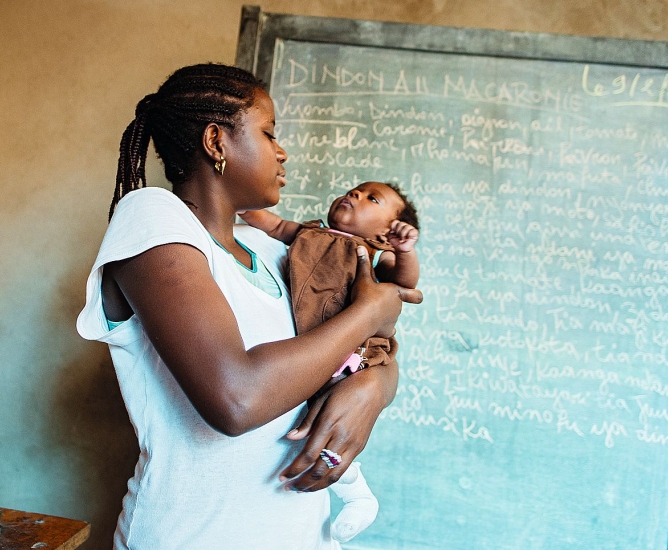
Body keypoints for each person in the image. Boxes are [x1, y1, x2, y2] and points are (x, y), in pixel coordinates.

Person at [75, 63, 421, 550]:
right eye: (268, 133)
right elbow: (236, 399)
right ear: (216, 142)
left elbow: (358, 346)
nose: (282, 152)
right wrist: (372, 309)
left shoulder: (276, 253)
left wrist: (375, 387)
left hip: (304, 535)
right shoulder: (153, 219)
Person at [239, 181, 420, 543]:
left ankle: (356, 494)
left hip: (349, 353)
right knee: (315, 418)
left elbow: (402, 283)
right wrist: (241, 203)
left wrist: (404, 252)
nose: (355, 195)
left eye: (372, 199)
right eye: (355, 190)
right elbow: (272, 225)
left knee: (333, 416)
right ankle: (353, 490)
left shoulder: (372, 252)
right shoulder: (308, 234)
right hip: (315, 347)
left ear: (386, 234)